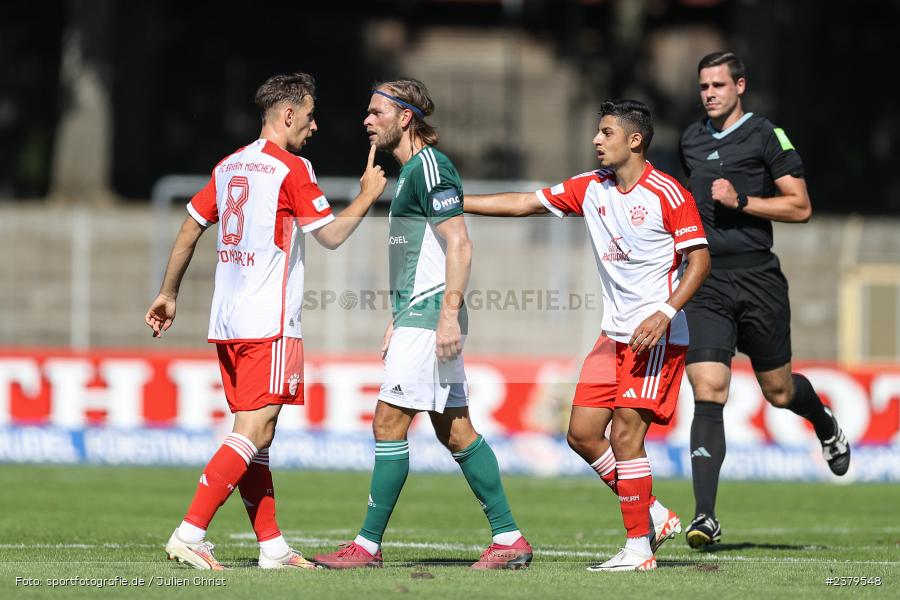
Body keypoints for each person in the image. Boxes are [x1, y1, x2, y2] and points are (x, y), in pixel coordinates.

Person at [144, 72, 387, 570]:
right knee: (254, 430)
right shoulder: (291, 167)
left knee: (259, 431)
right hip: (268, 321)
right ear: (288, 115)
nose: (315, 126)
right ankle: (189, 533)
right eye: (312, 115)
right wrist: (367, 193)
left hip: (227, 322)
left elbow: (191, 227)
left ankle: (272, 547)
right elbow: (332, 235)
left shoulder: (230, 165)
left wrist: (168, 293)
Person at [463, 99, 711, 572]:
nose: (596, 140)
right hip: (612, 334)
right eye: (597, 133)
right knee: (581, 434)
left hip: (656, 336)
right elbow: (522, 203)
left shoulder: (668, 193)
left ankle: (638, 550)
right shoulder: (590, 188)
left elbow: (700, 261)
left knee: (625, 435)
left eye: (606, 132)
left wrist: (664, 311)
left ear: (635, 140)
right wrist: (453, 203)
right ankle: (653, 513)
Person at [312, 78, 532, 570]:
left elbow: (460, 243)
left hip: (433, 316)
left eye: (376, 112)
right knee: (455, 431)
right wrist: (397, 317)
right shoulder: (412, 170)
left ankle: (366, 547)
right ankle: (509, 539)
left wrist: (447, 316)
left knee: (388, 422)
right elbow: (420, 254)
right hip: (420, 314)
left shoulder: (430, 167)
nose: (367, 120)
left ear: (405, 117)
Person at [678, 51, 851, 549]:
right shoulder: (690, 139)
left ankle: (825, 423)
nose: (709, 93)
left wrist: (745, 203)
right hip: (707, 282)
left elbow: (801, 206)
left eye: (718, 85)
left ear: (740, 87)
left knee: (777, 392)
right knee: (708, 389)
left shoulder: (765, 135)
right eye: (703, 86)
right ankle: (705, 516)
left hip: (759, 283)